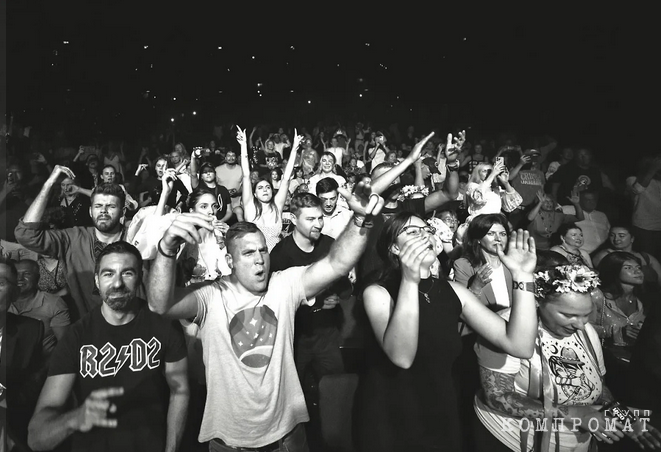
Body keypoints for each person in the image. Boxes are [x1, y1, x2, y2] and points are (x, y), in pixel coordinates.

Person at [146, 180, 385, 451]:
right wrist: (166, 249)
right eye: (248, 253)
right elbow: (159, 305)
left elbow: (337, 263)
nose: (260, 259)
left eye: (262, 250)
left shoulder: (284, 284)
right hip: (230, 442)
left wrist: (360, 219)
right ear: (230, 259)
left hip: (288, 438)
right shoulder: (211, 295)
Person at [354, 212, 538, 452]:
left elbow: (520, 345)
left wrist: (523, 278)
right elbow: (402, 357)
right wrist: (410, 281)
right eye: (412, 232)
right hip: (391, 416)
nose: (425, 235)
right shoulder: (377, 293)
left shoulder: (454, 292)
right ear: (395, 249)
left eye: (427, 230)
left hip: (440, 410)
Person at [473, 263, 661, 452]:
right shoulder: (505, 326)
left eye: (586, 315)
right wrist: (576, 414)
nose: (580, 325)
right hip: (515, 439)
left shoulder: (587, 331)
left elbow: (597, 388)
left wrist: (625, 418)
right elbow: (497, 396)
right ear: (538, 301)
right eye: (568, 315)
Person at [27, 242, 189, 452]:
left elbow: (181, 391)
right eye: (108, 274)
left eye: (127, 273)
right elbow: (36, 438)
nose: (118, 283)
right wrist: (74, 419)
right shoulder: (77, 337)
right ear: (97, 280)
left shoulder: (164, 325)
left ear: (140, 277)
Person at [15, 165, 141, 321]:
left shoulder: (136, 236)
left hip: (136, 324)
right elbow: (26, 234)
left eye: (111, 206)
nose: (103, 211)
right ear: (90, 211)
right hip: (92, 327)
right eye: (98, 206)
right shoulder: (74, 238)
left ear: (122, 212)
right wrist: (48, 185)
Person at [1, 259, 47, 450]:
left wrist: (5, 394)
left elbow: (32, 389)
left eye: (0, 283)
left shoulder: (30, 331)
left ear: (15, 293)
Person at [238, 127, 303, 252]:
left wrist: (294, 148)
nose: (265, 190)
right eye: (260, 188)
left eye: (268, 187)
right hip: (255, 257)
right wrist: (243, 145)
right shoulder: (250, 206)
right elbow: (246, 175)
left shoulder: (277, 206)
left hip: (277, 257)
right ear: (255, 194)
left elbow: (286, 179)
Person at [9, 259, 70, 357]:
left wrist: (44, 368)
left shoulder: (53, 304)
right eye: (16, 274)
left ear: (37, 278)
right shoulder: (3, 301)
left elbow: (65, 346)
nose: (20, 278)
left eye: (27, 274)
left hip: (41, 365)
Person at [592, 224, 661, 300]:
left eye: (621, 236)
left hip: (650, 299)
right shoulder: (604, 255)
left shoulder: (646, 257)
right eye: (612, 235)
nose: (616, 239)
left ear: (632, 238)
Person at [591, 252, 646, 344]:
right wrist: (616, 332)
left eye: (638, 267)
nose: (637, 271)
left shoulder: (643, 299)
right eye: (628, 268)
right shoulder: (597, 296)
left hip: (632, 355)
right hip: (604, 355)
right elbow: (582, 328)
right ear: (614, 271)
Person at [626, 155, 661, 261]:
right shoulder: (632, 179)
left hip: (659, 226)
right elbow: (638, 189)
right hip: (643, 227)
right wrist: (653, 169)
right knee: (647, 259)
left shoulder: (658, 181)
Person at [561, 189, 610, 254]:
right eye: (587, 200)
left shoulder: (602, 215)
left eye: (593, 200)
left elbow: (608, 233)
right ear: (580, 200)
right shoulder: (567, 210)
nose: (591, 202)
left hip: (602, 253)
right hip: (578, 253)